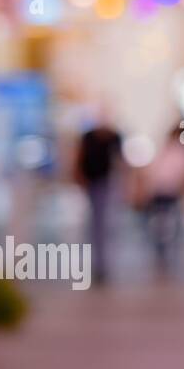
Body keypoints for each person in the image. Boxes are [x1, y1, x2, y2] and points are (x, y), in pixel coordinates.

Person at [137, 126, 184, 278]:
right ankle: (163, 255)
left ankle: (166, 256)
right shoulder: (168, 150)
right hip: (160, 194)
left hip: (171, 194)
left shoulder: (183, 152)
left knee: (168, 228)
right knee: (160, 228)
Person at [74, 114, 123, 285]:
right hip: (92, 182)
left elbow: (120, 161)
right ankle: (97, 264)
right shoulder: (89, 136)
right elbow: (80, 156)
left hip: (106, 182)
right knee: (96, 224)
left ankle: (101, 264)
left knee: (103, 224)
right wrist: (79, 175)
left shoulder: (114, 136)